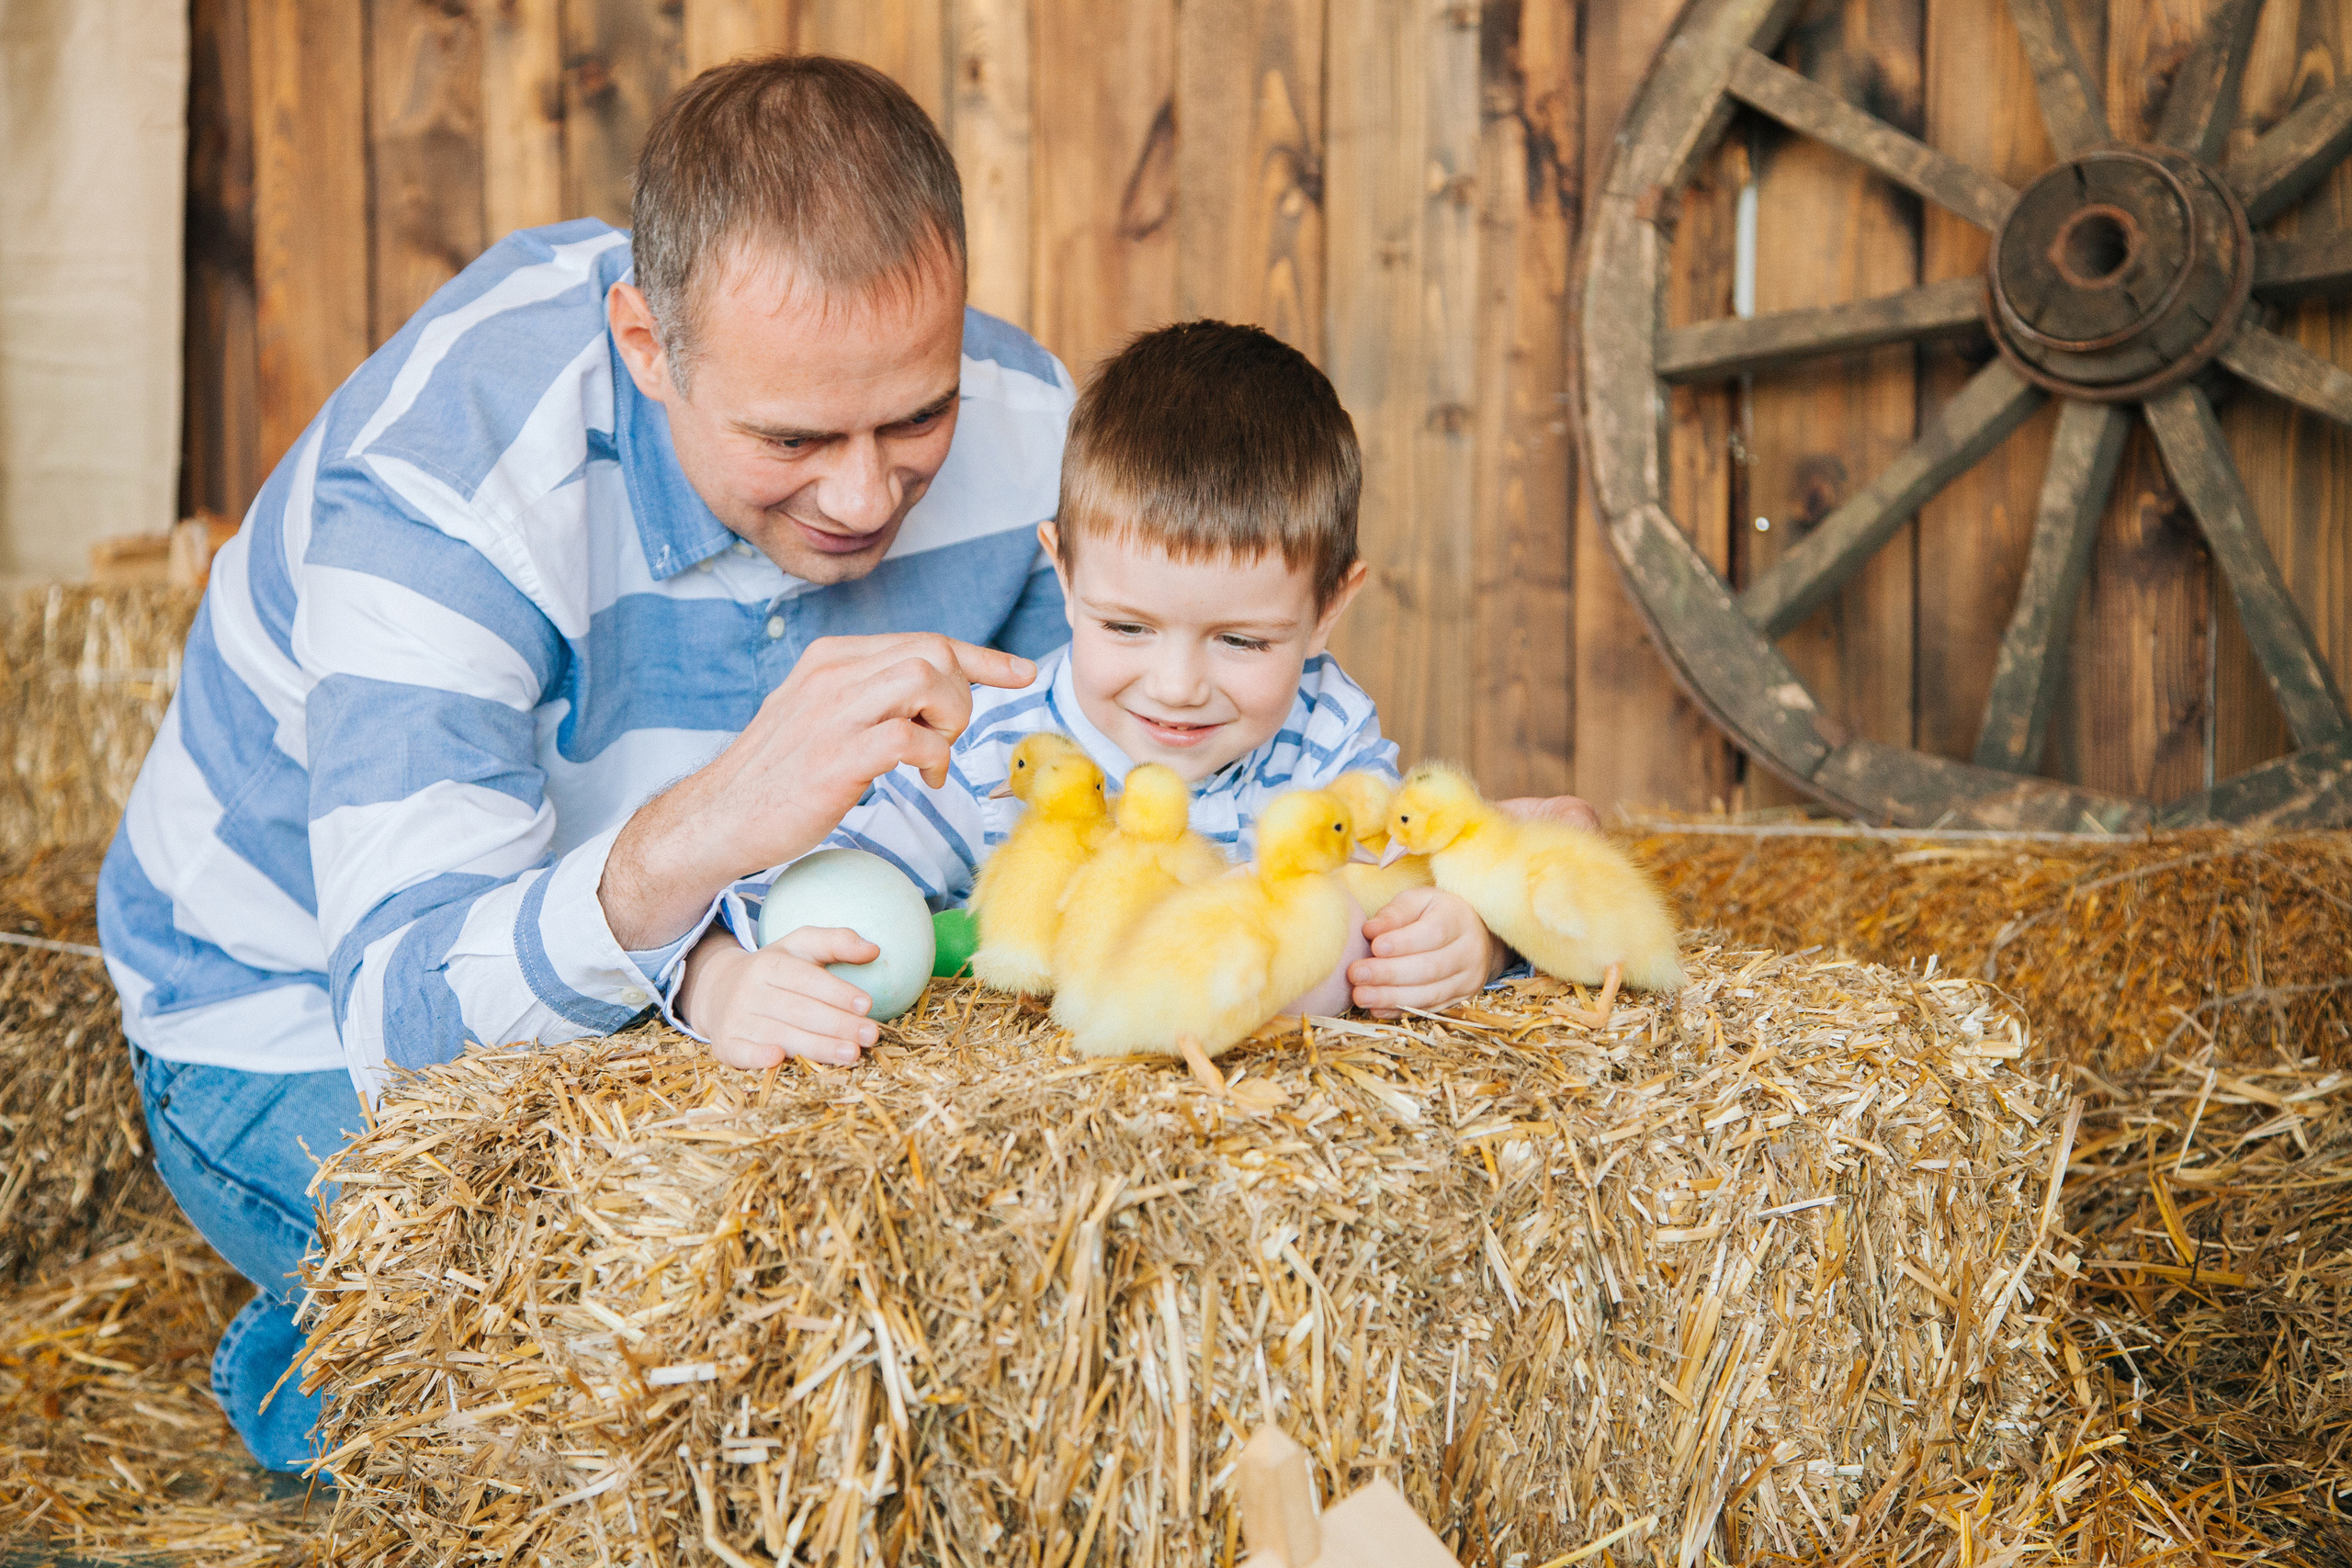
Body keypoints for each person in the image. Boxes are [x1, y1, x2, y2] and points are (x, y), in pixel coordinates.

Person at [96, 56, 1080, 1472]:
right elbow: (406, 1026)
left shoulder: (1027, 418)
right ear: (646, 345)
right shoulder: (445, 494)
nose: (865, 496)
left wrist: (766, 924)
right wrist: (716, 842)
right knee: (668, 1381)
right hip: (287, 1008)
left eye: (915, 418)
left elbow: (1060, 769)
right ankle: (310, 1352)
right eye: (791, 438)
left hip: (680, 957)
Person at [677, 321, 1512, 1063]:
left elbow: (1435, 883)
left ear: (1330, 608)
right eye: (1128, 628)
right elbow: (805, 894)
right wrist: (725, 980)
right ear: (1066, 576)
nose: (1178, 688)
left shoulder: (1330, 736)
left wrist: (1474, 944)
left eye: (1241, 641)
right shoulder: (996, 751)